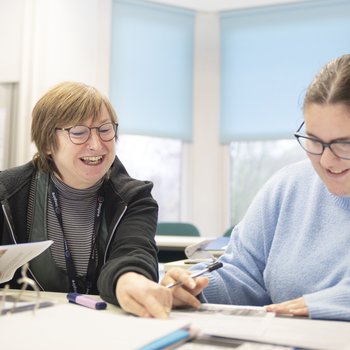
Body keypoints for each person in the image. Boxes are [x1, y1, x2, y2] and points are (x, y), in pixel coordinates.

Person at [162, 54, 350, 321]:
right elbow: (243, 272)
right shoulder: (287, 188)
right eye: (314, 141)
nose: (327, 160)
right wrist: (195, 288)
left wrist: (323, 305)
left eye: (344, 144)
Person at [0, 81, 172, 318]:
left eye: (105, 130)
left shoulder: (134, 198)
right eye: (79, 132)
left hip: (106, 329)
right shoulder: (7, 194)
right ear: (49, 143)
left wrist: (129, 280)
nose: (96, 145)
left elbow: (133, 253)